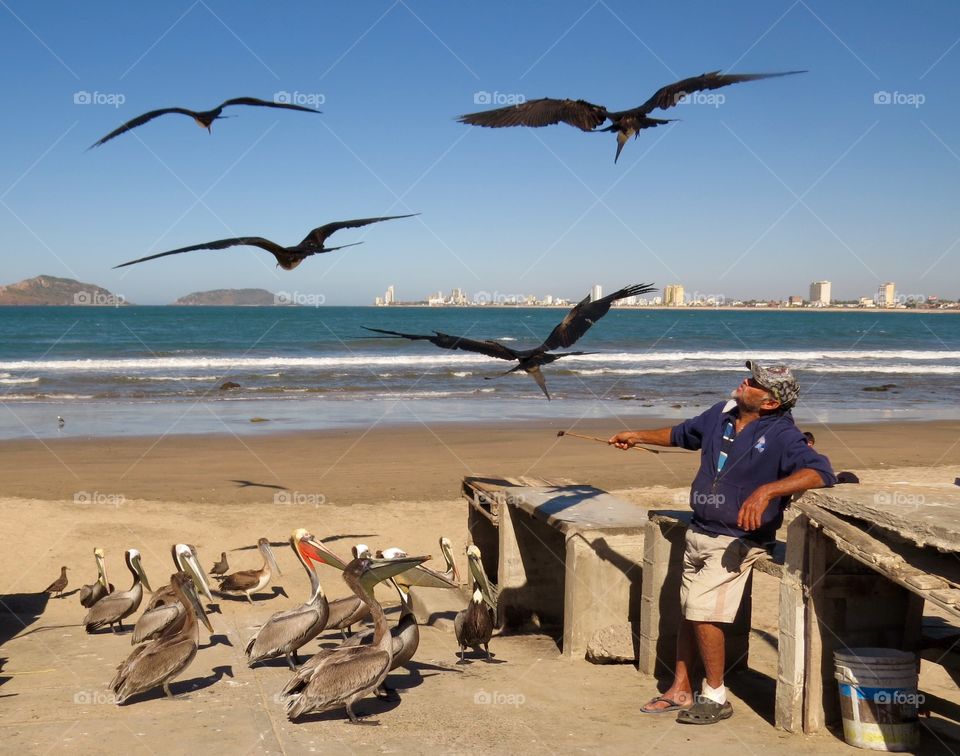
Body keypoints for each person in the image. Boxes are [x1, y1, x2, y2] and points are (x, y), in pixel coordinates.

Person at [609, 360, 836, 725]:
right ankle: (680, 688)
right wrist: (636, 435)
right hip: (699, 530)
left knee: (703, 612)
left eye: (754, 382)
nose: (744, 381)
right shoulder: (721, 413)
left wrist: (767, 491)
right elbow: (681, 434)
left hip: (738, 540)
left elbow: (821, 472)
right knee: (690, 613)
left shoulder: (782, 435)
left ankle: (715, 695)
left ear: (770, 402)